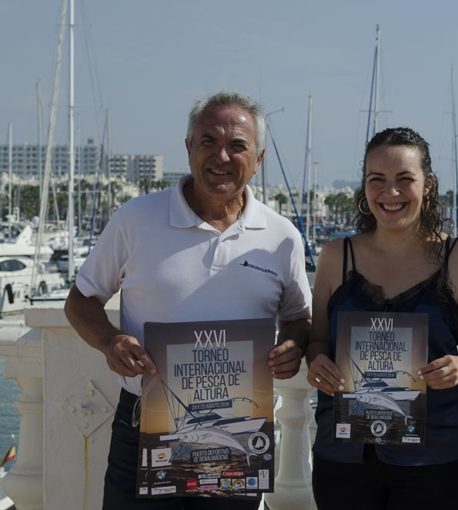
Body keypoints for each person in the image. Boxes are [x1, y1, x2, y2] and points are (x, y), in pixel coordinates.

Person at [64, 91, 312, 510]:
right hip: (145, 425)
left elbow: (298, 318)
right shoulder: (135, 219)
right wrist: (110, 341)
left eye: (237, 145)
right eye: (208, 141)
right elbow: (80, 301)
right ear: (188, 147)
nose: (221, 156)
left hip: (237, 433)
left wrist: (294, 345)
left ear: (259, 158)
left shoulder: (281, 235)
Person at [306, 127, 458, 510]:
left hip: (434, 459)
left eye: (404, 179)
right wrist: (316, 363)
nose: (390, 192)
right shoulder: (335, 256)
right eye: (376, 180)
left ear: (428, 185)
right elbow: (317, 341)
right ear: (364, 188)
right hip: (343, 457)